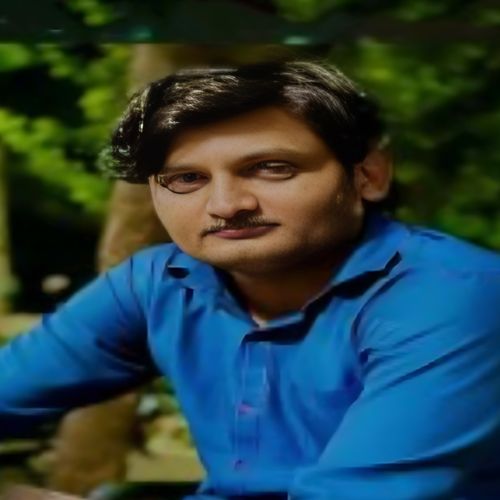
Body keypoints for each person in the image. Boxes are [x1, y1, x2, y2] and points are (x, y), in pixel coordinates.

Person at [1, 60, 500, 500]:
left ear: (368, 175)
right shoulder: (158, 282)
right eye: (187, 179)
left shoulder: (456, 295)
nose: (226, 205)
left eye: (271, 168)